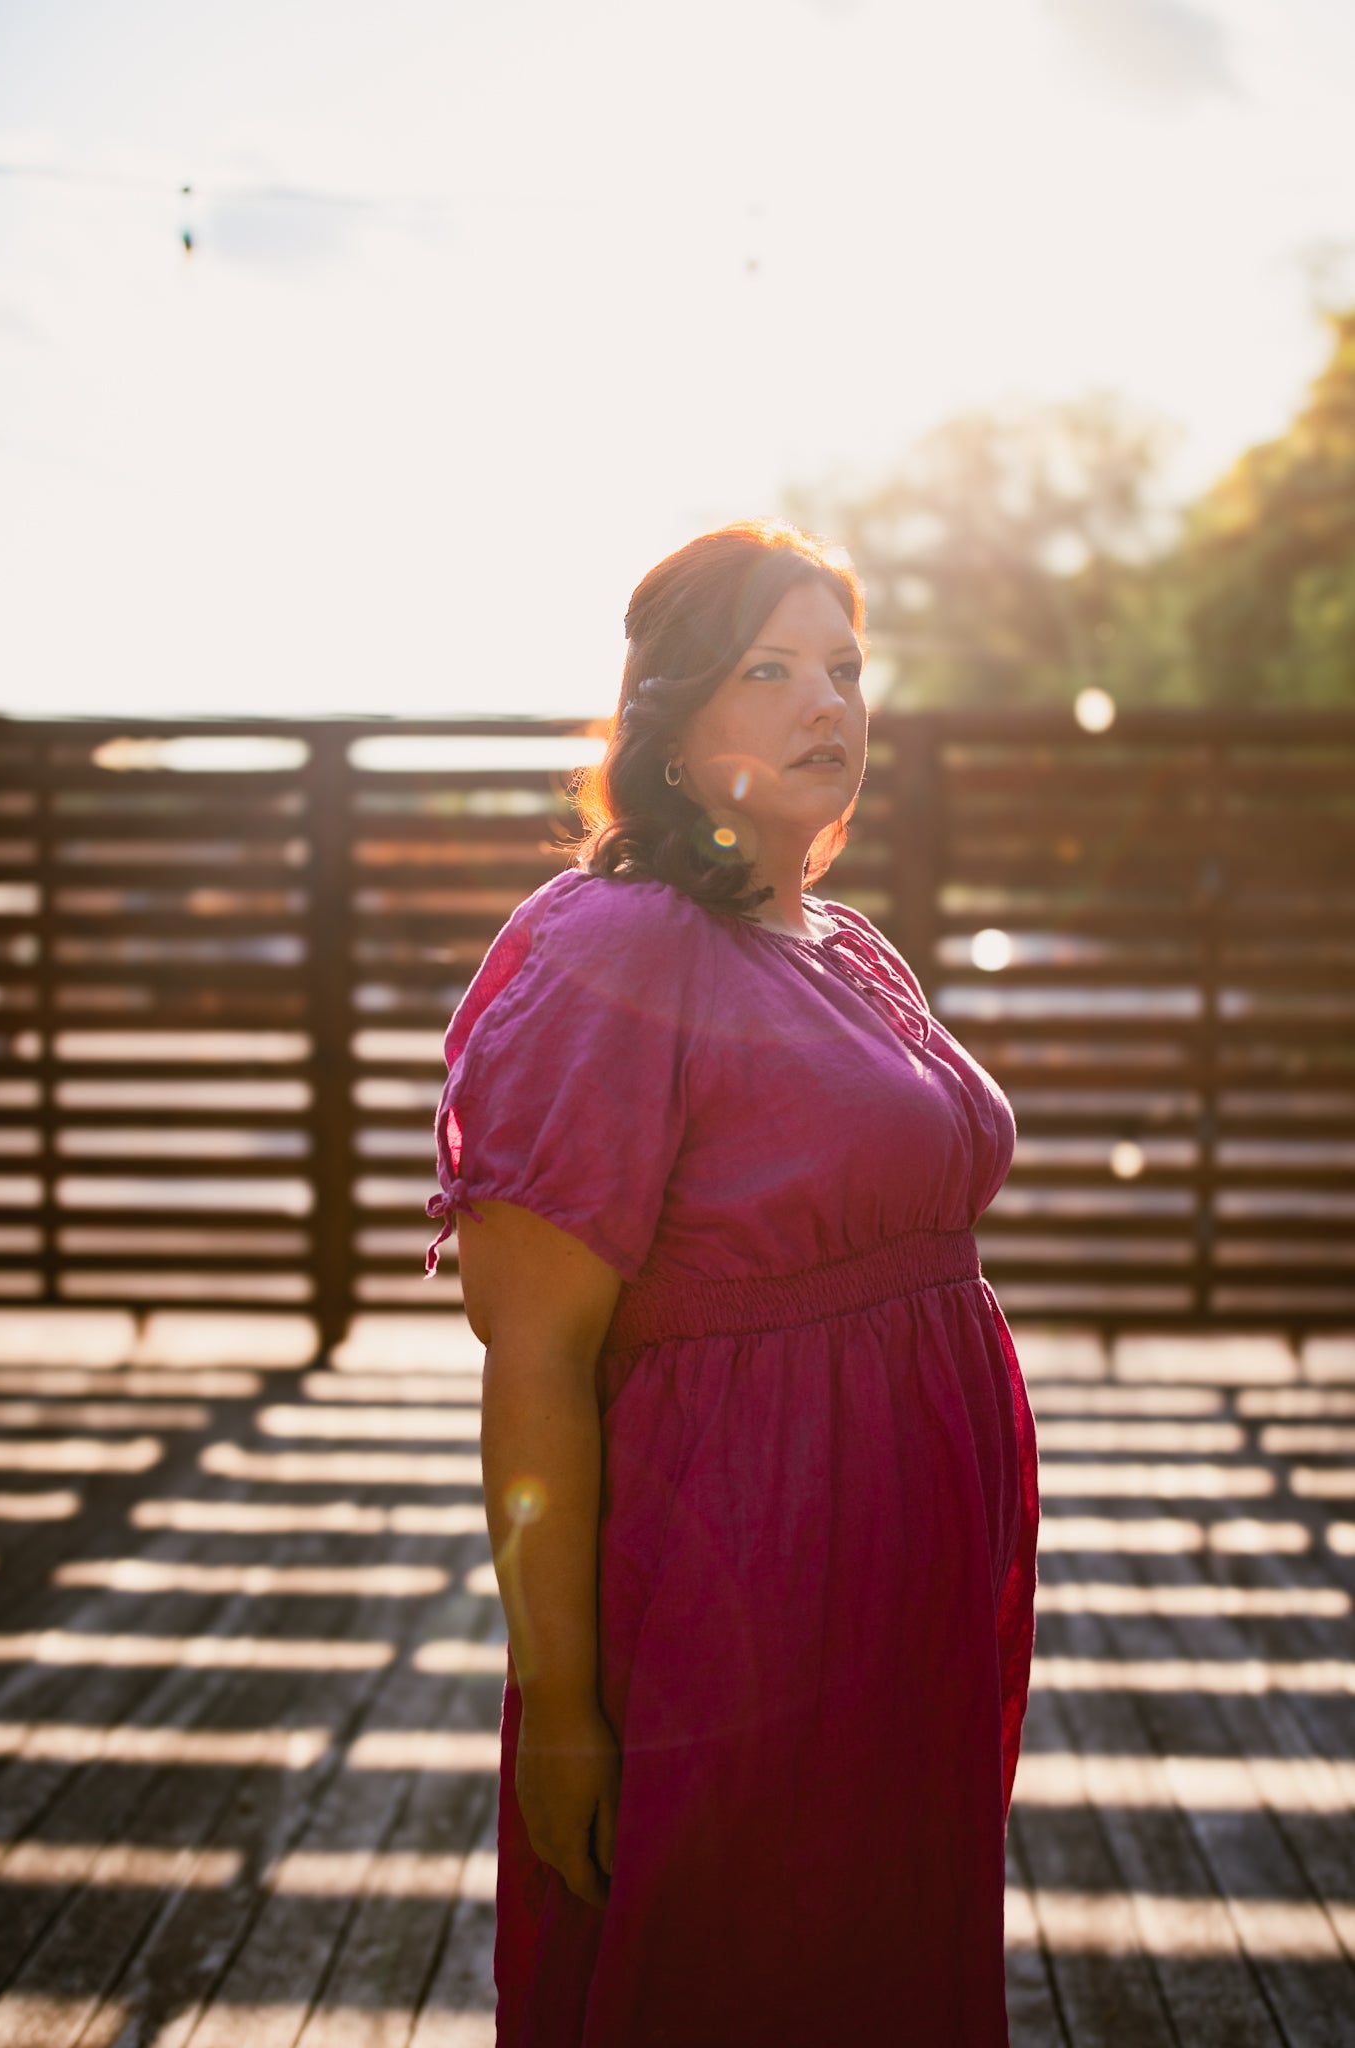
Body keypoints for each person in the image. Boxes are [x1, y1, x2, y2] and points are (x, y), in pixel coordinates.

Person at [424, 519, 1039, 2047]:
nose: (827, 704)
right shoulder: (613, 946)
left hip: (908, 1578)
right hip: (742, 1581)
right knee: (729, 1973)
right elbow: (535, 1352)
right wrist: (562, 1712)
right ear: (675, 721)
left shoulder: (847, 948)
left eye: (843, 667)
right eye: (769, 669)